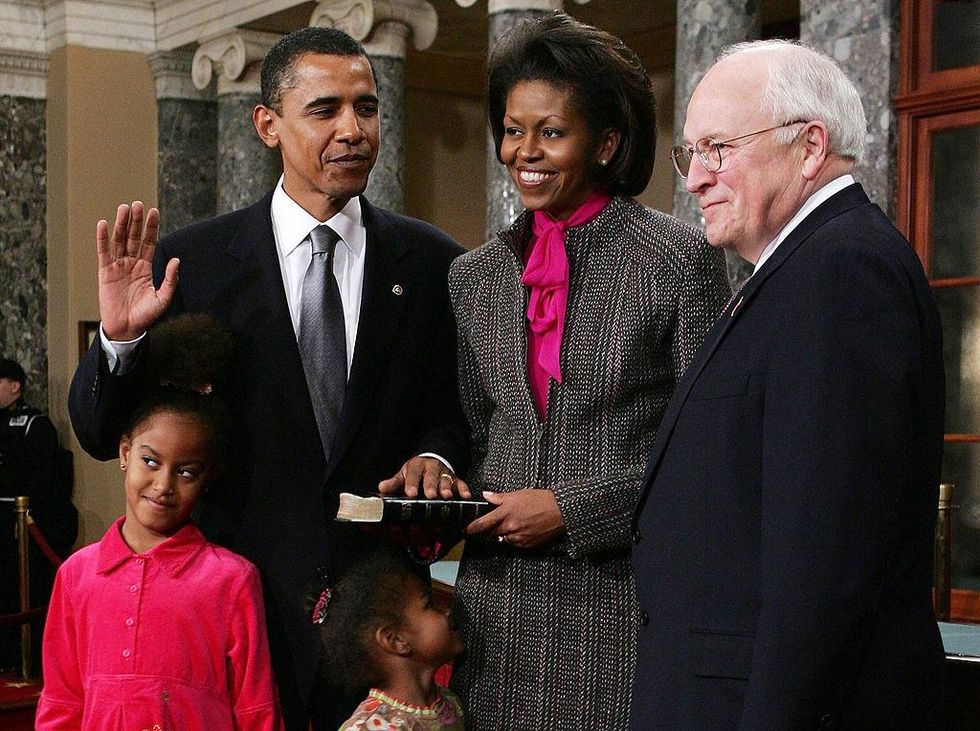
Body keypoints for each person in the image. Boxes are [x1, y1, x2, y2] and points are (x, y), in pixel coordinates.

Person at [68, 26, 469, 729]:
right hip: (233, 622)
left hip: (377, 632)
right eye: (325, 110)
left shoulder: (431, 262)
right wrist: (122, 338)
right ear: (267, 125)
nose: (354, 129)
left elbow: (454, 408)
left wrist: (435, 456)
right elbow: (102, 433)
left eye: (367, 108)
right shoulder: (194, 264)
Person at [630, 40, 946, 729]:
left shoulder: (841, 274)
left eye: (718, 148)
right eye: (692, 153)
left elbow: (823, 565)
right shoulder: (800, 269)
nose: (695, 178)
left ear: (809, 147)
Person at [427, 13, 729, 729]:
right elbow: (477, 432)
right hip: (494, 612)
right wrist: (437, 481)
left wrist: (573, 507)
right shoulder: (472, 277)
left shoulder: (677, 260)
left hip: (620, 607)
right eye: (512, 129)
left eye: (552, 132)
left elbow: (707, 456)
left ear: (607, 143)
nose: (524, 151)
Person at [37, 315, 283, 729]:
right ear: (124, 453)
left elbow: (256, 709)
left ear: (208, 479)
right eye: (150, 461)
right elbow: (61, 702)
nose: (163, 485)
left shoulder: (233, 580)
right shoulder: (76, 576)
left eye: (186, 471)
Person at [308, 545, 465, 730]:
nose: (446, 611)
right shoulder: (371, 727)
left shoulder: (448, 703)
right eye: (429, 604)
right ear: (395, 640)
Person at [0, 358, 77, 672]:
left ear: (15, 386)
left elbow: (42, 478)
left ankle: (21, 659)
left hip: (21, 518)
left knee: (18, 591)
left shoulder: (35, 423)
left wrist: (25, 513)